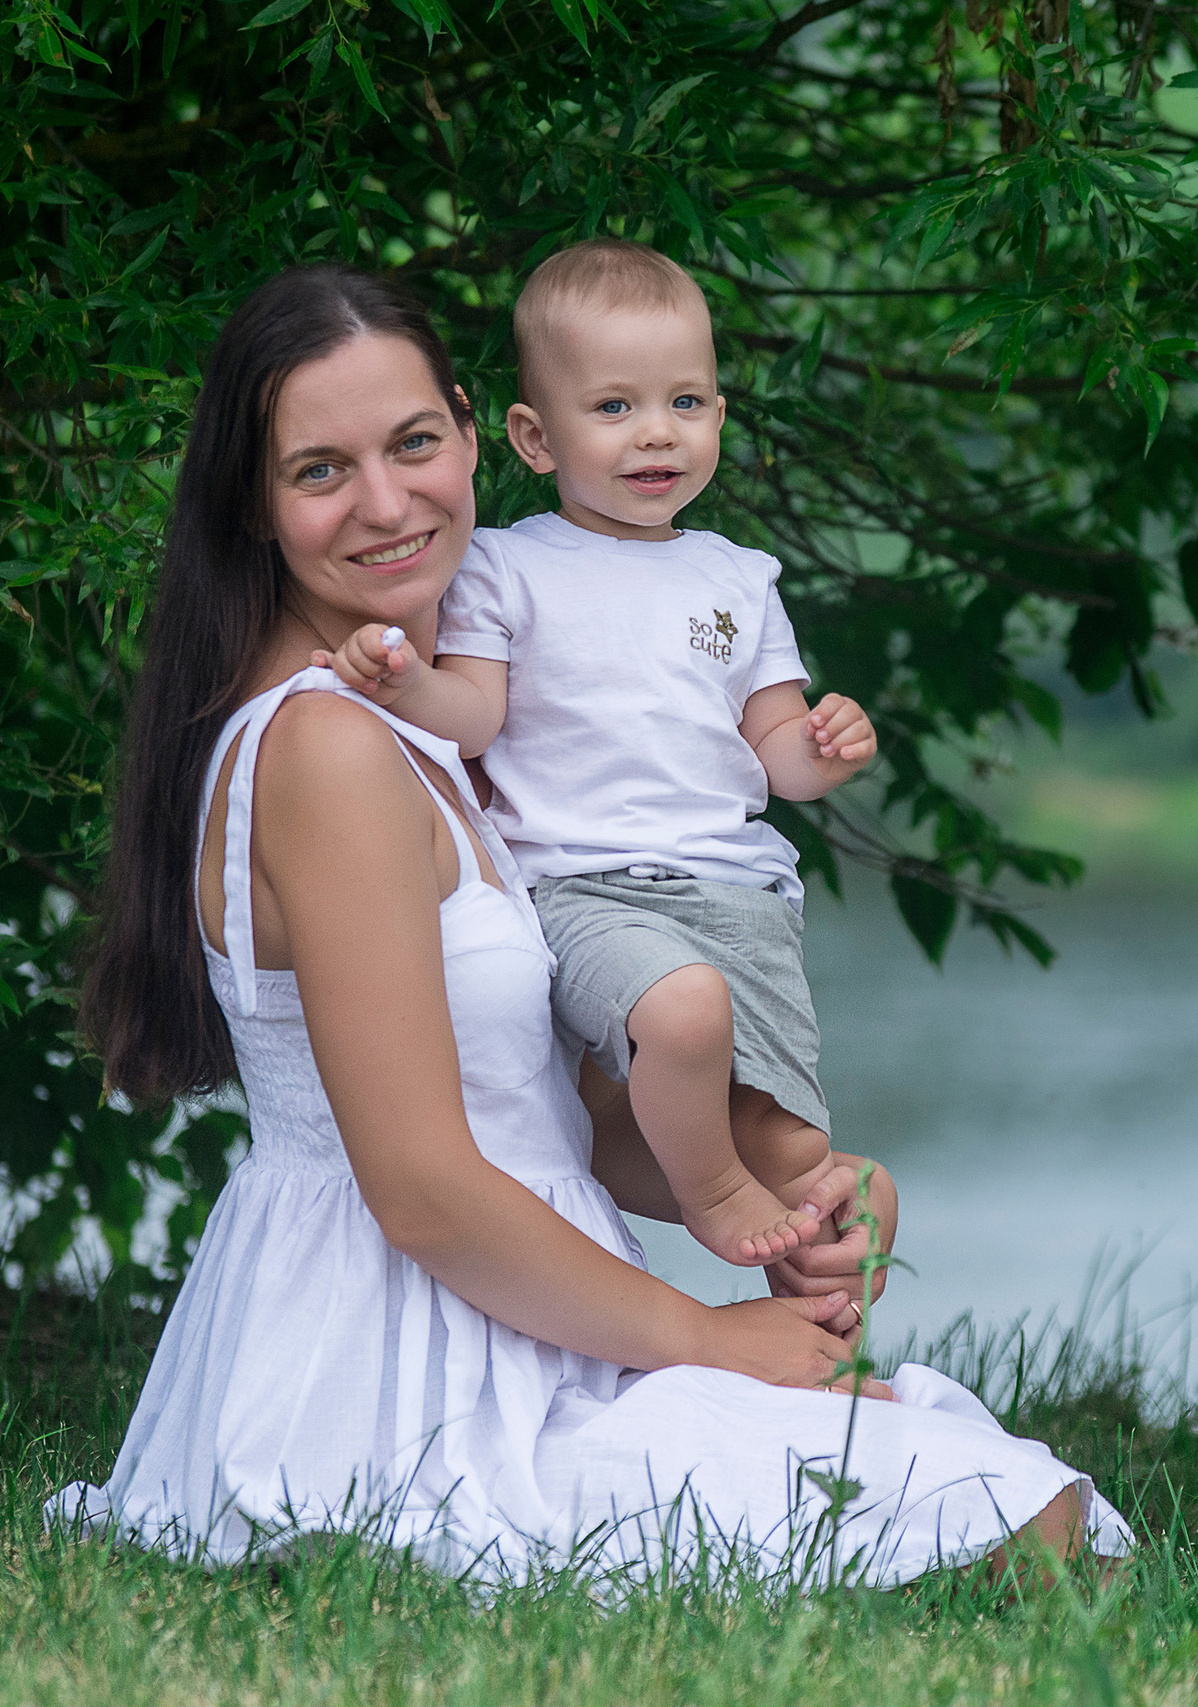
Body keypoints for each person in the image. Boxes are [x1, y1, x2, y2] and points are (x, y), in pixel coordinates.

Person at [56, 264, 1130, 1589]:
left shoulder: (430, 728)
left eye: (412, 443)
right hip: (401, 1364)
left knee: (958, 1465)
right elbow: (426, 1188)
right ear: (256, 509)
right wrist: (702, 1334)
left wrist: (777, 1191)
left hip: (521, 1312)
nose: (389, 503)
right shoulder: (327, 747)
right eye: (321, 470)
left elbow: (541, 1124)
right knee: (1006, 1510)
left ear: (471, 429)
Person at [312, 240, 859, 1271]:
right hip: (580, 886)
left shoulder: (737, 579)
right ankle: (708, 1200)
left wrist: (826, 746)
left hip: (737, 894)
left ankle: (812, 1349)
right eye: (613, 408)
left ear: (718, 417)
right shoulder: (508, 566)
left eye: (685, 403)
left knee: (798, 1148)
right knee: (685, 1013)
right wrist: (403, 683)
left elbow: (778, 757)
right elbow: (474, 716)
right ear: (533, 435)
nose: (657, 433)